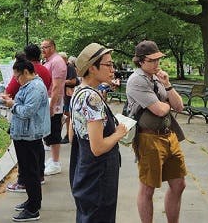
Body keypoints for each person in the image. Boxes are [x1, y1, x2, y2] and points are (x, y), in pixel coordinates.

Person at [126, 40, 187, 223]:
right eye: (152, 60)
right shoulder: (136, 80)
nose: (156, 64)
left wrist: (167, 85)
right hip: (148, 138)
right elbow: (159, 110)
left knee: (179, 184)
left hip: (169, 136)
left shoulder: (157, 78)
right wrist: (166, 105)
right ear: (141, 61)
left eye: (158, 59)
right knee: (148, 188)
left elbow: (179, 106)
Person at [69, 43, 128, 222]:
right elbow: (98, 147)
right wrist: (119, 132)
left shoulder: (79, 92)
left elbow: (73, 136)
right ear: (92, 68)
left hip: (84, 169)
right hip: (98, 174)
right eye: (108, 65)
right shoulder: (92, 97)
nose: (113, 69)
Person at [0, 56, 51, 222]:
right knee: (28, 171)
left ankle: (33, 208)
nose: (17, 80)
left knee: (31, 172)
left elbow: (28, 110)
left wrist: (11, 105)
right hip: (23, 134)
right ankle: (32, 200)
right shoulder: (29, 85)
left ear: (27, 72)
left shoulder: (35, 87)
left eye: (18, 76)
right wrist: (11, 101)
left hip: (29, 135)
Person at [41, 39, 67, 176]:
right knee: (50, 132)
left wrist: (52, 106)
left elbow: (57, 86)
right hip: (50, 100)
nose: (43, 50)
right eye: (42, 47)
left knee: (54, 131)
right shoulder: (49, 62)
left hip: (54, 102)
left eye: (46, 47)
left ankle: (56, 162)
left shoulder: (57, 62)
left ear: (53, 47)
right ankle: (53, 159)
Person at [60, 52, 78, 144]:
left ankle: (68, 135)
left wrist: (60, 81)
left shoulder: (70, 67)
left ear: (64, 59)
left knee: (67, 116)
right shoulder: (62, 67)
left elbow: (73, 81)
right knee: (63, 115)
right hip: (63, 95)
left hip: (68, 96)